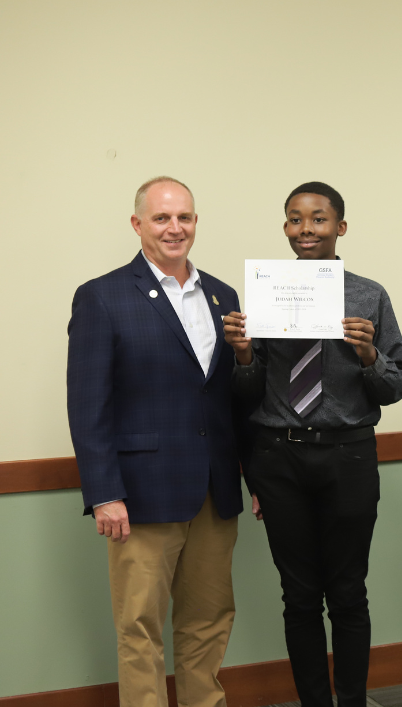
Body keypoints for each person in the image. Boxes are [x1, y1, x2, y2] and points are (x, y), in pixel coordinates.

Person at [224, 182, 402, 707]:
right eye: (295, 219)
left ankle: (351, 701)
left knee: (348, 593)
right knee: (299, 596)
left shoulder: (369, 295)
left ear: (340, 227)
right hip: (279, 457)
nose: (306, 229)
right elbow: (246, 393)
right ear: (285, 227)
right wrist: (243, 355)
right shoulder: (265, 292)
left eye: (319, 219)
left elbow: (396, 386)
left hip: (349, 455)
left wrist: (370, 355)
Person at [67, 177, 244, 707]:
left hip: (214, 489)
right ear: (137, 224)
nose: (174, 228)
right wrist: (104, 493)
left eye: (184, 217)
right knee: (140, 625)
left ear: (196, 223)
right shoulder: (102, 296)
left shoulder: (224, 296)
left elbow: (231, 398)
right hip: (141, 494)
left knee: (210, 618)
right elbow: (88, 404)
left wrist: (252, 476)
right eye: (162, 218)